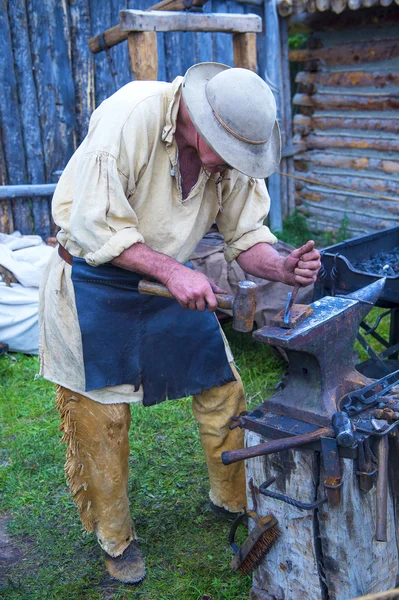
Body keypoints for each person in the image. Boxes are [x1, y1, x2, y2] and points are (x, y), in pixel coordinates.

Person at [39, 62, 320, 584]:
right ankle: (115, 539)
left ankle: (233, 499)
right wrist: (172, 270)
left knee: (222, 392)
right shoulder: (131, 119)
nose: (235, 166)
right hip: (95, 279)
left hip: (171, 279)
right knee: (102, 421)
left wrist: (279, 265)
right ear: (201, 123)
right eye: (230, 154)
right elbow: (95, 223)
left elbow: (244, 234)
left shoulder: (229, 159)